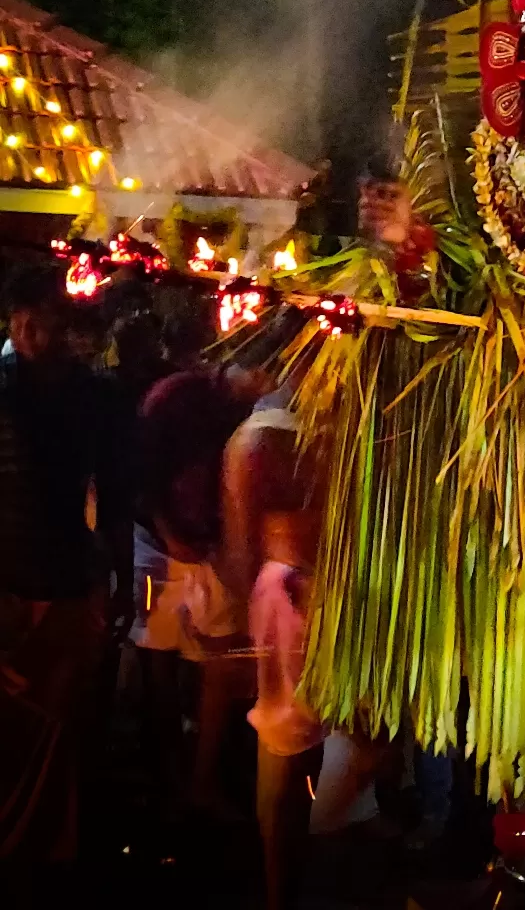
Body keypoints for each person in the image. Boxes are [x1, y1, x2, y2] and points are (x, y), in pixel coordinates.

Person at [0, 265, 133, 862]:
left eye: (49, 324)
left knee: (62, 726)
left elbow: (114, 494)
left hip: (69, 582)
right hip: (8, 588)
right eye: (26, 323)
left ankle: (54, 854)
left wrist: (120, 581)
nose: (35, 335)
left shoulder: (93, 396)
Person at [129, 355, 269, 822]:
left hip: (208, 539)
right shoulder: (179, 398)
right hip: (161, 537)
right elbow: (143, 473)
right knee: (165, 649)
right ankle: (170, 766)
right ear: (248, 366)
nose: (269, 386)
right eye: (266, 375)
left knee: (215, 658)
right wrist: (171, 534)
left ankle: (201, 773)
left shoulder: (247, 412)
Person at [221, 358, 325, 910]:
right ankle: (278, 885)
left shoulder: (336, 423)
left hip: (324, 595)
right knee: (285, 741)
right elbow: (242, 541)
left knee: (302, 746)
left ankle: (292, 872)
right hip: (290, 599)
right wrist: (243, 633)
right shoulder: (262, 438)